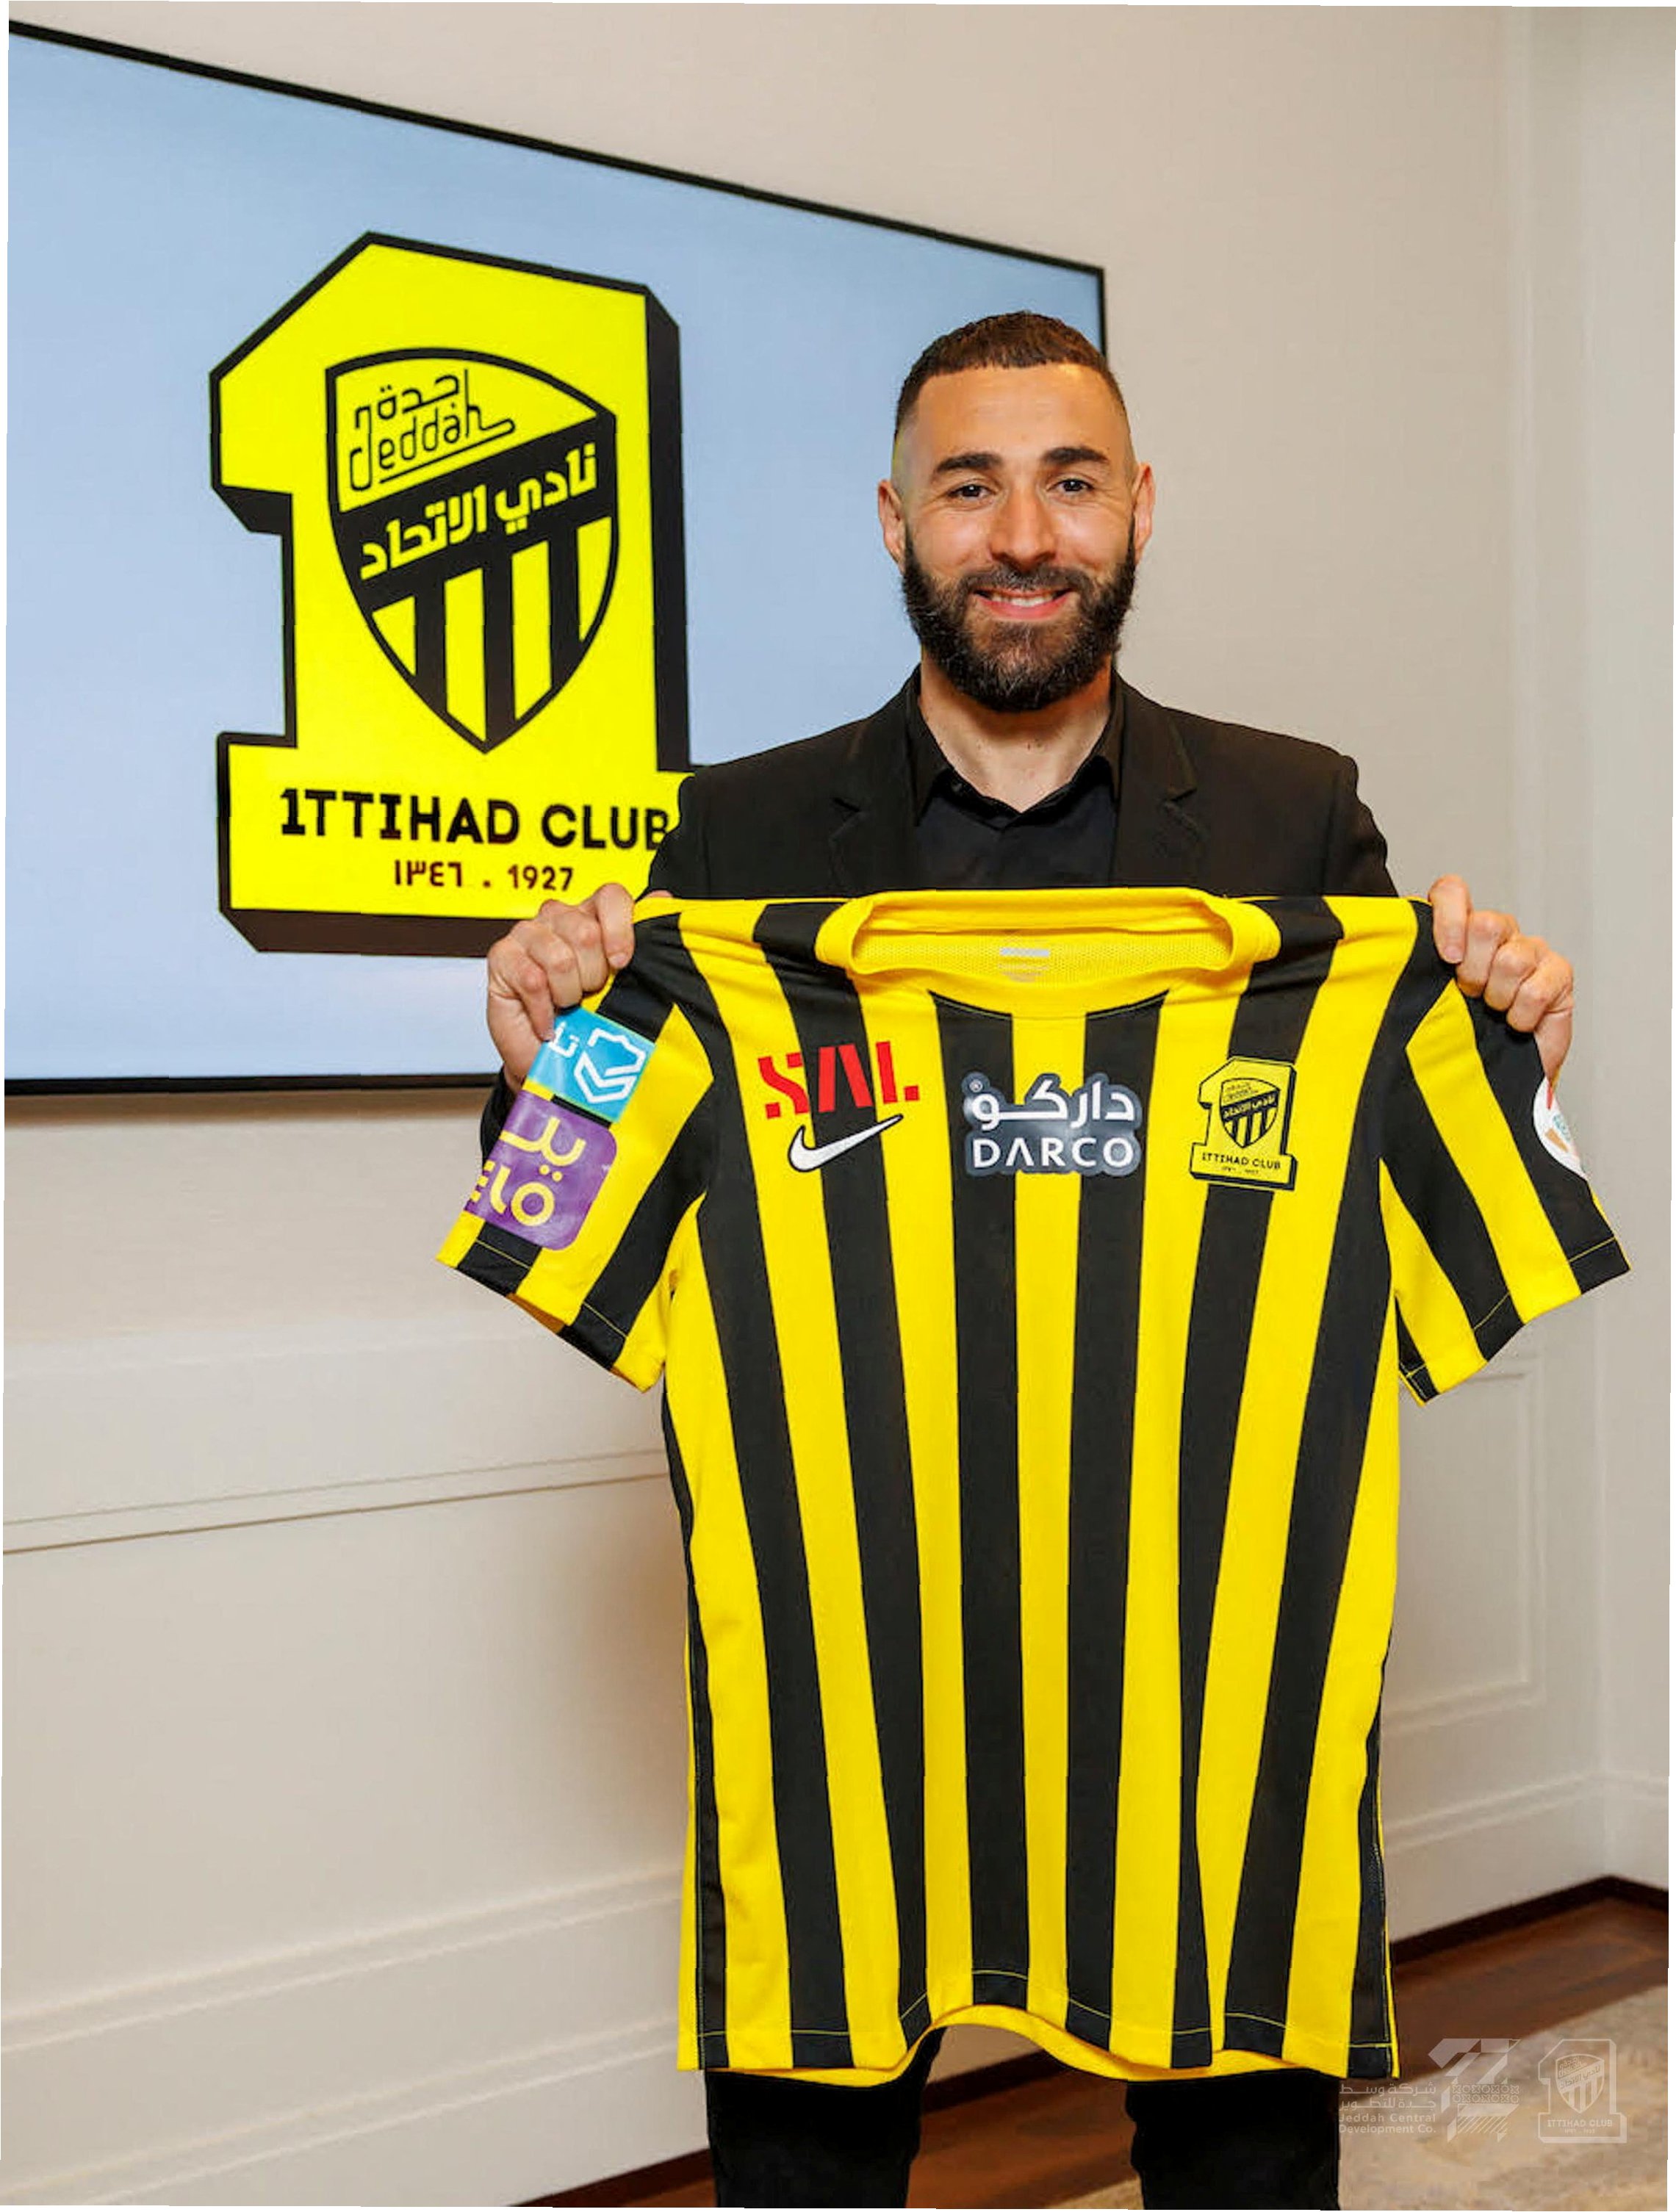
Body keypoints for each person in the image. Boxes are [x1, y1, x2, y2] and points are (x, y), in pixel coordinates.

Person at [477, 315, 1577, 2208]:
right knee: (809, 2158)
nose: (1021, 535)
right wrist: (537, 1061)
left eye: (1069, 483)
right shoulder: (738, 839)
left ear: (1137, 504)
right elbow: (553, 1209)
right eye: (968, 487)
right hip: (849, 1672)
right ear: (893, 518)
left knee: (1242, 2159)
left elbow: (1439, 1201)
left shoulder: (1295, 823)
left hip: (1202, 1672)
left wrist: (1517, 1052)